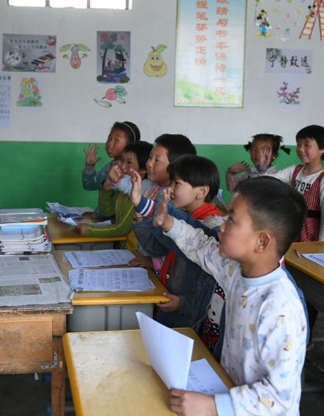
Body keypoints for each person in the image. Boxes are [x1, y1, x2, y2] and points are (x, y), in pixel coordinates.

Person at [151, 177, 307, 416]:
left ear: (262, 241)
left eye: (232, 219)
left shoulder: (279, 307)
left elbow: (279, 398)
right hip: (231, 395)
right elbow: (202, 247)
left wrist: (212, 406)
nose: (222, 226)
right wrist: (170, 223)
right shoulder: (236, 270)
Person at [127, 156, 225, 330]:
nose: (170, 189)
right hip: (170, 298)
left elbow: (209, 287)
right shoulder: (185, 218)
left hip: (187, 314)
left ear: (201, 192)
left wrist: (184, 304)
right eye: (170, 183)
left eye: (177, 184)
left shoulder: (211, 228)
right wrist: (141, 217)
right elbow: (155, 248)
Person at [268, 125, 324, 242]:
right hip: (296, 228)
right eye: (299, 144)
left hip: (313, 235)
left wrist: (322, 244)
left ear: (323, 148)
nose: (300, 149)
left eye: (307, 145)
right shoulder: (295, 170)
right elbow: (269, 179)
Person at [75, 141, 152, 237]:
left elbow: (121, 229)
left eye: (129, 162)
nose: (123, 166)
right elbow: (106, 212)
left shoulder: (139, 195)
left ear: (143, 170)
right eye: (122, 160)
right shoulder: (123, 187)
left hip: (131, 247)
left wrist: (89, 230)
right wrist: (105, 190)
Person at [82, 120, 141, 220]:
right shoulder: (109, 166)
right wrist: (89, 166)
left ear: (130, 145)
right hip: (103, 218)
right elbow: (89, 185)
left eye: (116, 140)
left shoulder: (131, 171)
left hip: (117, 224)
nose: (110, 143)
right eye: (109, 138)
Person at [225, 133, 289, 192]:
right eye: (255, 150)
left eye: (264, 150)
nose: (258, 154)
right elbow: (233, 188)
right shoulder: (249, 173)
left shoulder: (278, 177)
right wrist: (231, 172)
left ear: (274, 155)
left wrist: (262, 169)